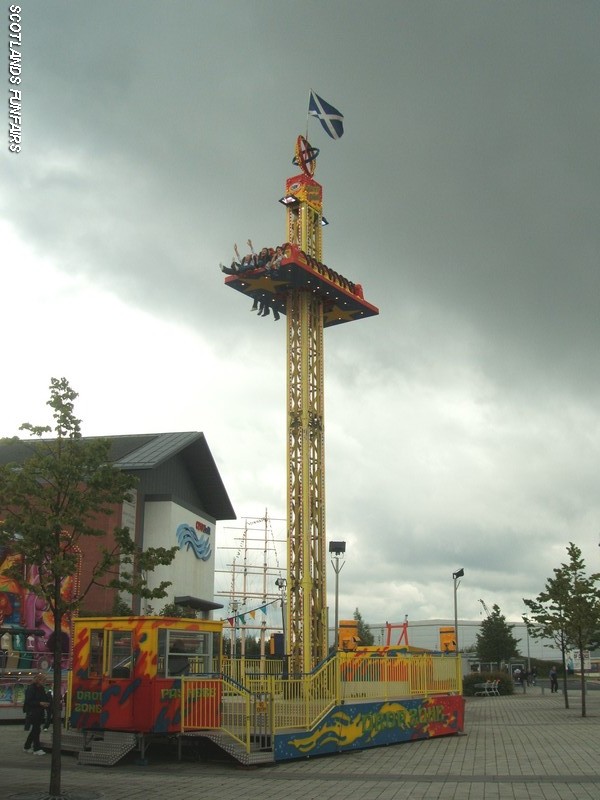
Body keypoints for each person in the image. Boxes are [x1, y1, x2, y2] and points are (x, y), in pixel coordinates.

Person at [23, 673, 49, 755]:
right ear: (39, 680)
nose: (45, 682)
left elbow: (44, 698)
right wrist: (40, 703)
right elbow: (28, 701)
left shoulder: (41, 688)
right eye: (43, 680)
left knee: (35, 729)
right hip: (33, 712)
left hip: (39, 711)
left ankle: (27, 746)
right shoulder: (31, 688)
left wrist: (46, 703)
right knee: (36, 730)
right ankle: (36, 748)